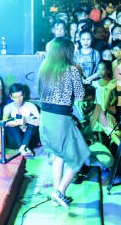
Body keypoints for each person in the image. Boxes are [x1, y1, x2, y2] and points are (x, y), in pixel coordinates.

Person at [37, 37, 90, 208]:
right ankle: (59, 192)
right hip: (61, 119)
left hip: (45, 117)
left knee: (58, 156)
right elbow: (80, 95)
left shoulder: (44, 68)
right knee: (79, 155)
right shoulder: (72, 69)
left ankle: (57, 196)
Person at [2, 83, 40, 157]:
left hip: (29, 137)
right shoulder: (8, 107)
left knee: (32, 124)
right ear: (11, 97)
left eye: (20, 96)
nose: (18, 99)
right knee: (11, 125)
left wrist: (27, 120)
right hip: (15, 139)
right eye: (15, 97)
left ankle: (23, 147)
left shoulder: (31, 106)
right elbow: (4, 123)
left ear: (24, 95)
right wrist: (17, 123)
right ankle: (25, 148)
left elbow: (39, 121)